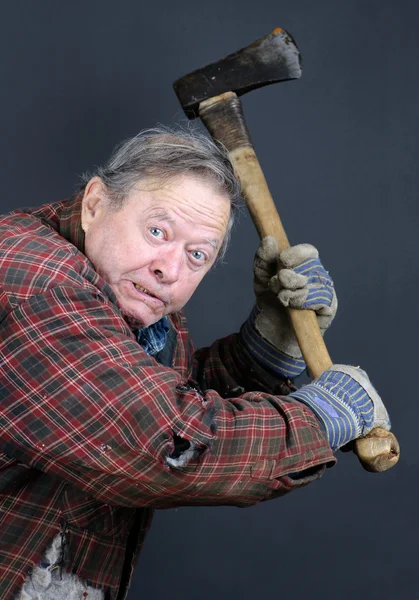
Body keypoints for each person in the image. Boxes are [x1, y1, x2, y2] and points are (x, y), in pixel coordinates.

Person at [0, 127, 390, 600]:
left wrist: (268, 343)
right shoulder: (34, 284)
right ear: (96, 204)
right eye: (157, 230)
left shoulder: (133, 294)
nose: (170, 268)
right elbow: (159, 441)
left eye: (197, 254)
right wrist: (319, 418)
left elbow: (154, 392)